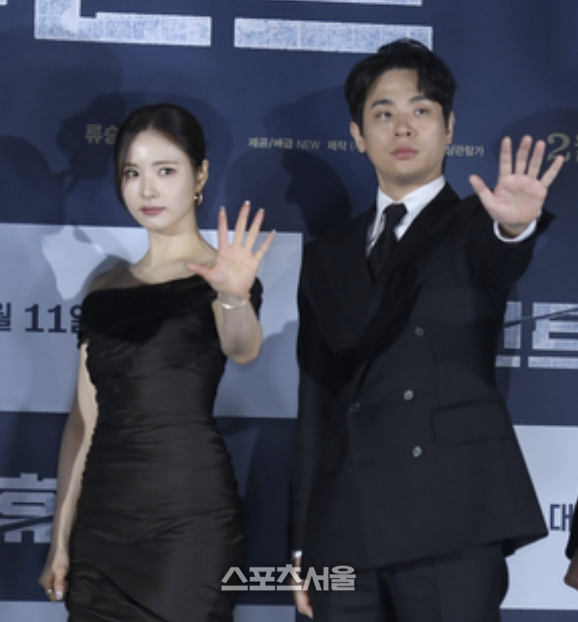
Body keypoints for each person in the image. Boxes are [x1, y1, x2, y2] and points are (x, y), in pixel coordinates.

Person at [290, 39, 563, 622]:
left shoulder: (477, 224)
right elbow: (315, 403)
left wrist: (516, 229)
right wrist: (302, 545)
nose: (403, 127)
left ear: (449, 126)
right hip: (346, 524)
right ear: (358, 134)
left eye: (421, 110)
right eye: (383, 113)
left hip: (452, 514)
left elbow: (500, 257)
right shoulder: (327, 254)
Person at [39, 103, 275, 621]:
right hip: (101, 524)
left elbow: (244, 348)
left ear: (200, 175)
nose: (147, 190)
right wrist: (60, 539)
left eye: (165, 170)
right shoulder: (104, 288)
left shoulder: (223, 276)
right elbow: (83, 421)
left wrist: (233, 295)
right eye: (132, 173)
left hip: (188, 523)